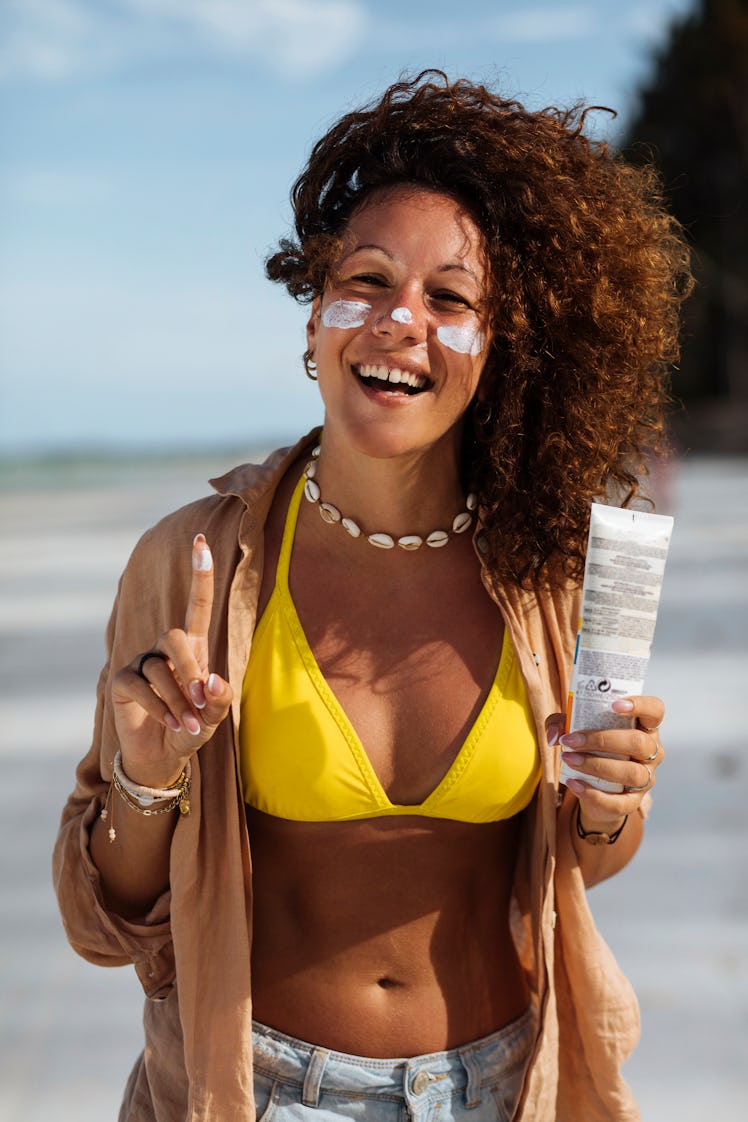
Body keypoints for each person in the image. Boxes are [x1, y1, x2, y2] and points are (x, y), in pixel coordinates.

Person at [53, 71, 692, 1122]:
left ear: (496, 350)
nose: (402, 321)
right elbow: (105, 917)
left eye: (449, 298)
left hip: (505, 1086)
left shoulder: (550, 573)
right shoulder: (191, 566)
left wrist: (611, 801)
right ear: (313, 323)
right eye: (367, 280)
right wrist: (146, 777)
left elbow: (587, 860)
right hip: (253, 1090)